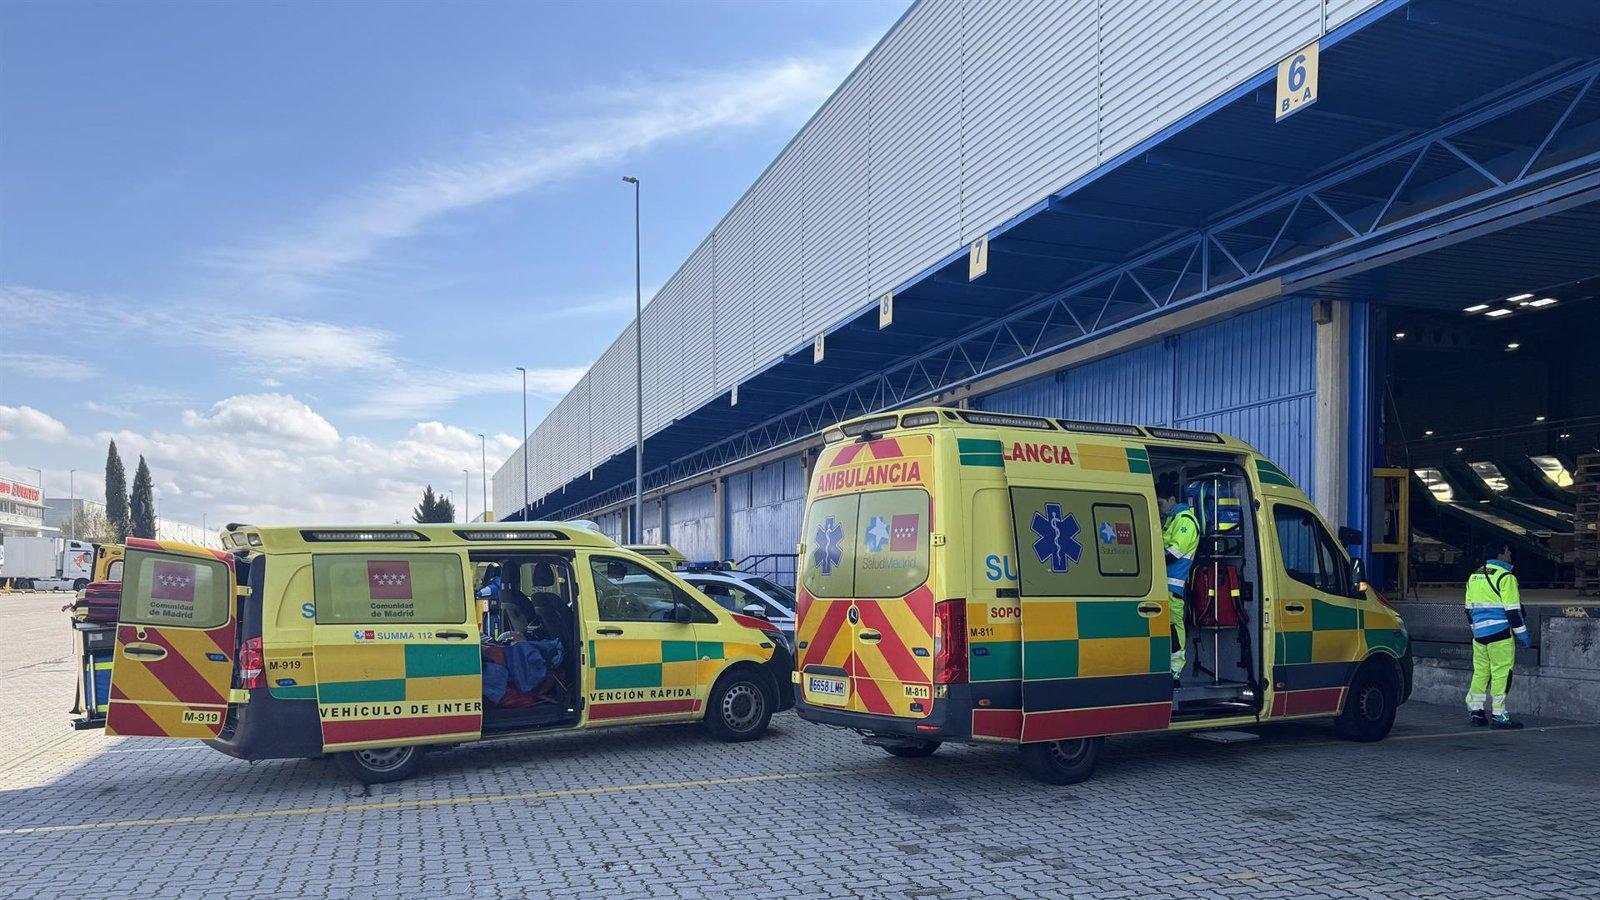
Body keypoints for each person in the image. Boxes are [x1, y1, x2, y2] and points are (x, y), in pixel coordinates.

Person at [1464, 542, 1529, 729]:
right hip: (1500, 635)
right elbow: (1513, 612)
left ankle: (1476, 712)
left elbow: (1468, 610)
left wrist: (1476, 629)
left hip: (1479, 636)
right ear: (1500, 554)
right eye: (1508, 551)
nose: (1511, 555)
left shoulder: (1474, 576)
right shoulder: (1506, 577)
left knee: (1480, 672)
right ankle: (1499, 715)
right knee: (1501, 673)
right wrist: (1523, 635)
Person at [1159, 475, 1200, 686]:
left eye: (1161, 503)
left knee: (1175, 629)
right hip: (1161, 586)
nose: (1160, 507)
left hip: (1174, 587)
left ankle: (1175, 672)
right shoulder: (1171, 520)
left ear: (1172, 500)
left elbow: (1173, 554)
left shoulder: (1186, 521)